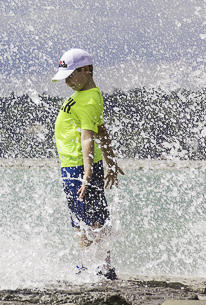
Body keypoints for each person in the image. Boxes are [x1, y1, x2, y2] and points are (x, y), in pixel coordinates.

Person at [52, 48, 125, 280]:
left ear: (86, 70)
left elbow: (88, 137)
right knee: (79, 219)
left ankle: (103, 267)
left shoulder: (90, 99)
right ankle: (88, 265)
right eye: (65, 78)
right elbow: (102, 129)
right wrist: (111, 161)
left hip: (78, 168)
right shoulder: (87, 96)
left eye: (71, 76)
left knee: (93, 219)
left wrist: (87, 173)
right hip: (71, 166)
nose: (68, 82)